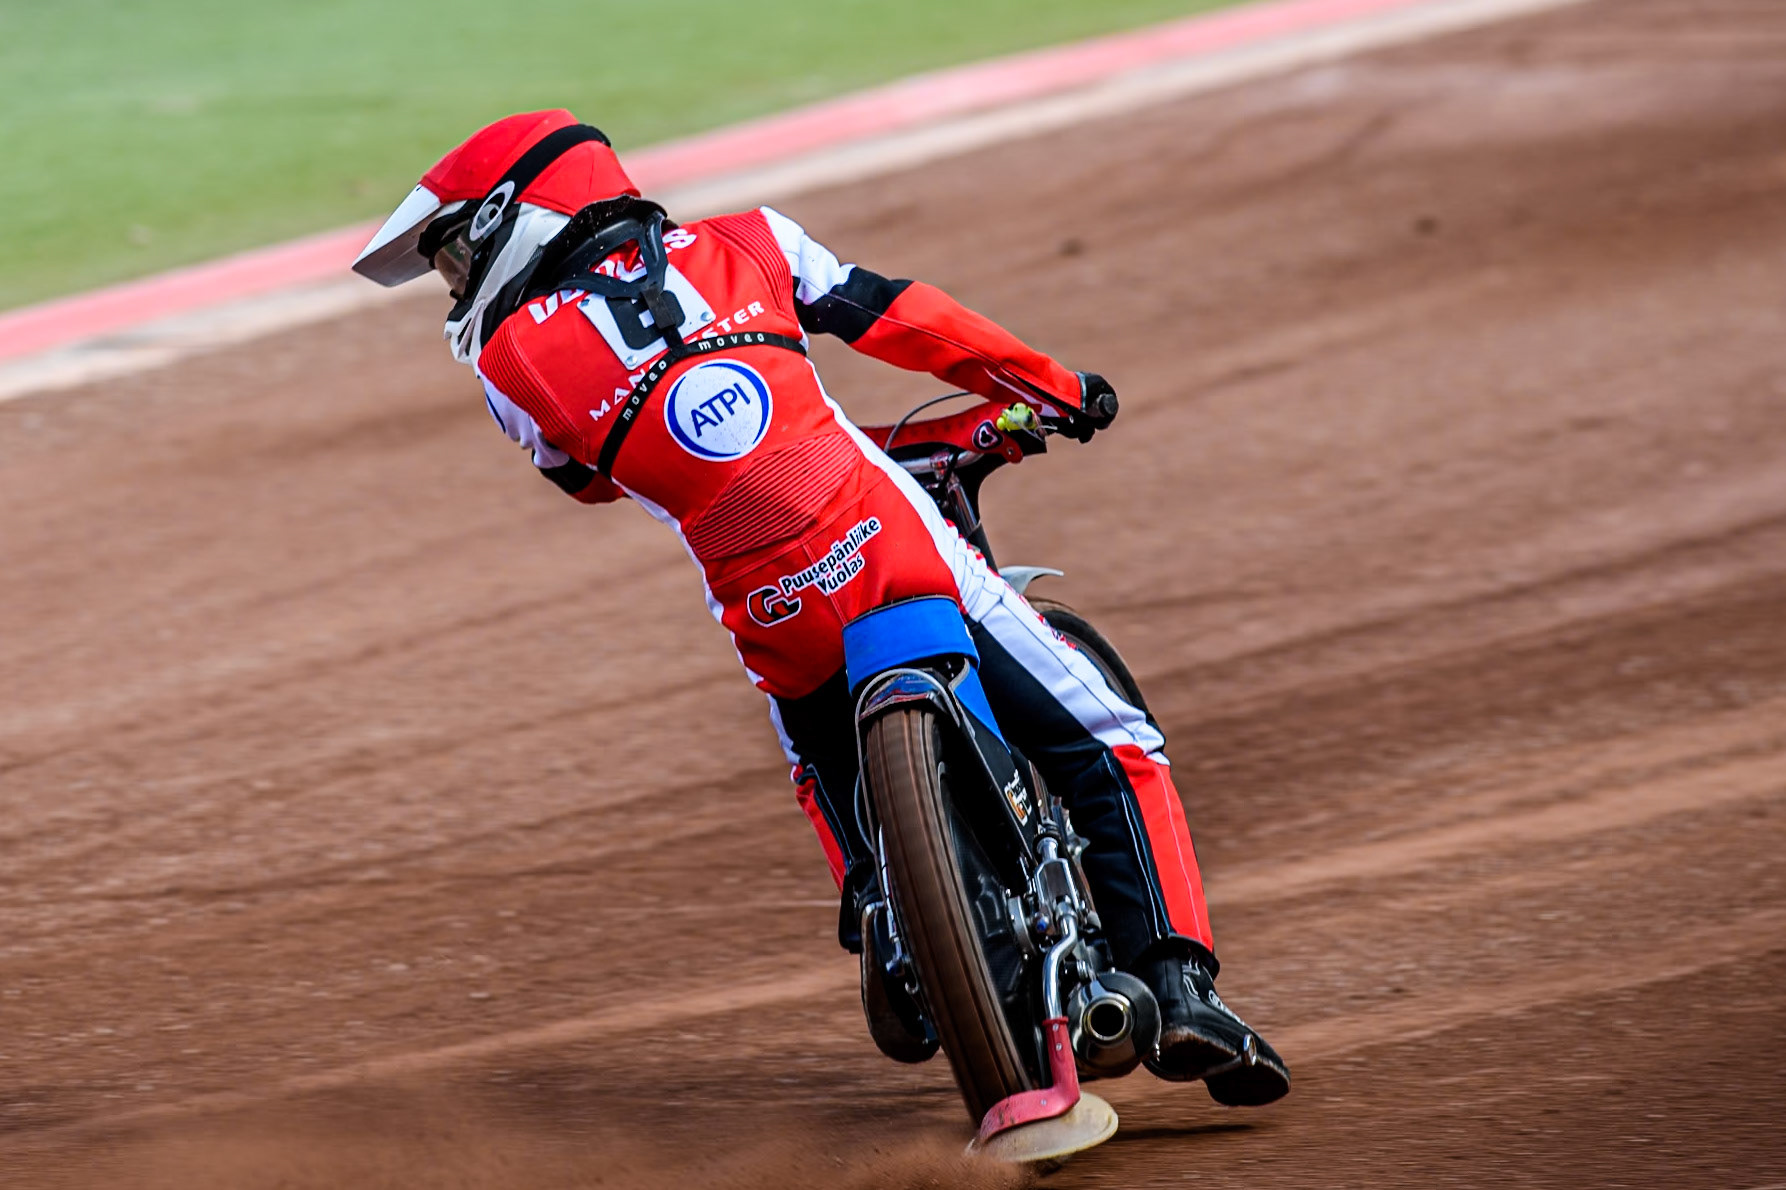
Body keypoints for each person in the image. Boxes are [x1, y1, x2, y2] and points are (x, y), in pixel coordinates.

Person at [352, 109, 1288, 1107]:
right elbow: (904, 319)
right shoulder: (750, 239)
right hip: (891, 544)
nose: (456, 286)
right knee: (1114, 737)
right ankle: (1182, 988)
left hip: (768, 609)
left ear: (515, 217)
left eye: (455, 257)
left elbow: (600, 477)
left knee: (812, 756)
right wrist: (1049, 385)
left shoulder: (509, 368)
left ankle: (887, 919)